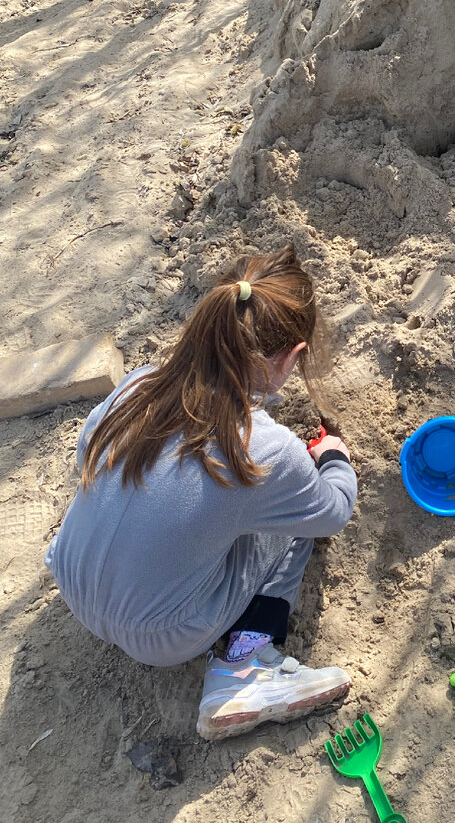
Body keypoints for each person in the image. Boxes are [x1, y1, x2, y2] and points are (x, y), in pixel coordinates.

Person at [45, 244, 357, 741]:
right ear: (293, 356)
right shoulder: (263, 448)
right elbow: (332, 512)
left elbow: (89, 456)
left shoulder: (137, 385)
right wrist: (334, 459)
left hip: (71, 576)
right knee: (291, 520)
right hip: (159, 636)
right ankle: (245, 665)